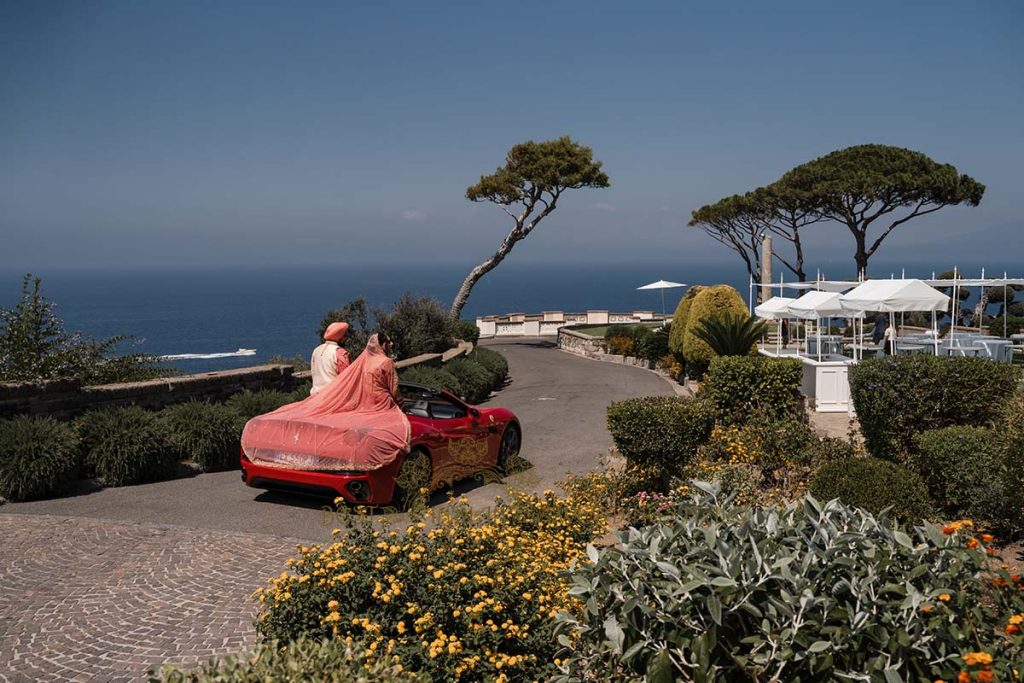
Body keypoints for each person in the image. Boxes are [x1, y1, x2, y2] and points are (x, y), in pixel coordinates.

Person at [310, 322, 352, 395]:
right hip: (333, 396)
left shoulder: (316, 350)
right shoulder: (340, 353)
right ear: (341, 337)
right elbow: (346, 378)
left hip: (315, 395)